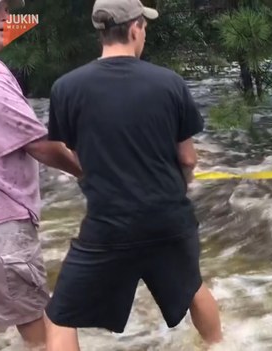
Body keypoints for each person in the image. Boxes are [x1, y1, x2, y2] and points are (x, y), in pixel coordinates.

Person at [43, 0, 223, 349]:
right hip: (168, 218)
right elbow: (187, 157)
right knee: (194, 288)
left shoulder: (66, 88)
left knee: (60, 315)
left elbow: (80, 157)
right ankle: (220, 346)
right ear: (135, 28)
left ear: (102, 32)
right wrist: (180, 186)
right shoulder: (169, 83)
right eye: (144, 27)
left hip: (109, 225)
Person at [0, 0, 83, 350]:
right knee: (45, 334)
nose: (6, 18)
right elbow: (39, 145)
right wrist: (91, 174)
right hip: (2, 228)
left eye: (7, 10)